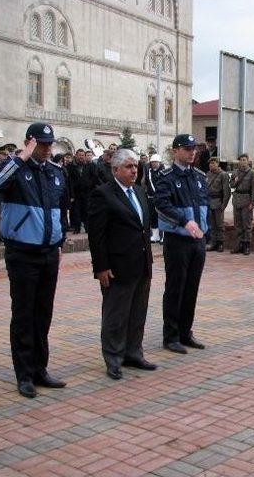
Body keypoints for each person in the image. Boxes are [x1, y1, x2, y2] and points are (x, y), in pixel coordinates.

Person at [0, 122, 68, 398]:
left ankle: (40, 369)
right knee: (24, 314)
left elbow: (60, 210)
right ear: (29, 142)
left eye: (49, 144)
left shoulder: (55, 172)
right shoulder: (14, 169)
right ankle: (24, 375)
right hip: (22, 254)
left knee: (43, 314)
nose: (46, 149)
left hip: (48, 254)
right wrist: (20, 158)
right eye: (41, 144)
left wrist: (58, 242)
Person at [87, 149, 156, 380]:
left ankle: (133, 353)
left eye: (135, 166)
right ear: (115, 170)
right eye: (128, 166)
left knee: (138, 313)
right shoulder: (103, 194)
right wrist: (101, 267)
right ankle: (114, 359)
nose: (134, 170)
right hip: (117, 267)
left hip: (141, 264)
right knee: (115, 316)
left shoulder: (139, 191)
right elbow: (97, 236)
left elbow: (143, 228)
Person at [155, 134, 208, 354]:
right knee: (176, 288)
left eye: (193, 149)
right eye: (187, 149)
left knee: (191, 288)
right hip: (177, 240)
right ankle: (171, 335)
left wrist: (205, 230)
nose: (192, 152)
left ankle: (186, 332)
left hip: (198, 241)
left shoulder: (198, 176)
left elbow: (204, 204)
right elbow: (161, 205)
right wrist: (184, 221)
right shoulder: (166, 177)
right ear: (175, 151)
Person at [230, 153, 254, 255]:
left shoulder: (252, 173)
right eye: (241, 160)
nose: (242, 161)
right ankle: (239, 245)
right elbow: (231, 185)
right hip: (237, 199)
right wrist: (235, 181)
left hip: (247, 200)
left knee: (246, 225)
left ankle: (246, 245)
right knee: (238, 224)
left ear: (248, 161)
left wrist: (252, 202)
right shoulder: (235, 172)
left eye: (244, 160)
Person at [206, 157, 230, 252]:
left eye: (213, 163)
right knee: (211, 224)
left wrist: (224, 204)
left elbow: (226, 191)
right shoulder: (207, 174)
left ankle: (220, 243)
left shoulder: (223, 175)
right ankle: (213, 242)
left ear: (217, 164)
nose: (211, 165)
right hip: (209, 201)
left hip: (218, 201)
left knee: (219, 225)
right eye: (210, 163)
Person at [66, 148, 93, 234]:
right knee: (76, 212)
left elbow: (94, 177)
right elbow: (69, 179)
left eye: (83, 155)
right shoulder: (71, 166)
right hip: (76, 193)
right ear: (76, 156)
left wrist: (89, 185)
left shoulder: (90, 166)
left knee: (87, 211)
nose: (81, 157)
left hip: (87, 193)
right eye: (80, 155)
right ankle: (77, 228)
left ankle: (87, 228)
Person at [145, 154, 164, 243]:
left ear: (159, 162)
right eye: (152, 162)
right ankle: (155, 236)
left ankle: (163, 236)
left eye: (155, 162)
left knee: (162, 216)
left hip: (161, 196)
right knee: (153, 216)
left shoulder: (163, 171)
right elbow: (148, 182)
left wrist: (159, 193)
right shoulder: (149, 171)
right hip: (151, 196)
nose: (153, 164)